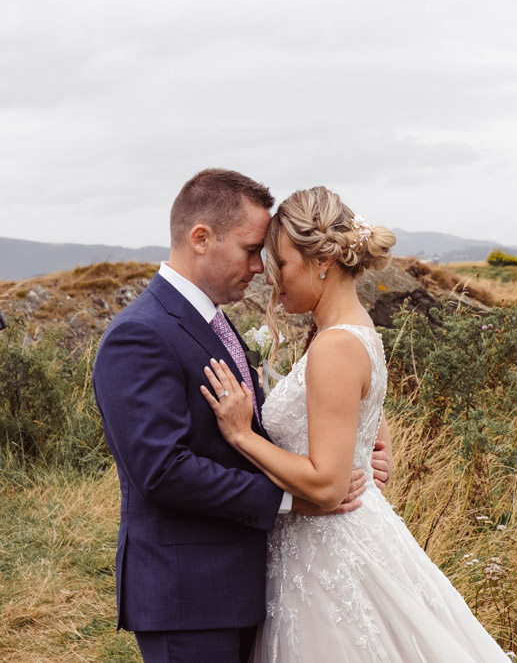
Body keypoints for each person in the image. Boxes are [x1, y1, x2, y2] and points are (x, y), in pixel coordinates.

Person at [92, 169, 390, 663]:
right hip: (189, 597)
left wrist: (362, 450)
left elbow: (269, 420)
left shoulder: (210, 318)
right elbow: (163, 471)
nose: (260, 268)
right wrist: (295, 501)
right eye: (252, 250)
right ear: (202, 238)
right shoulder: (139, 335)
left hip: (248, 585)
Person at [201, 186, 510, 661]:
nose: (272, 280)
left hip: (329, 551)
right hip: (332, 542)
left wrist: (241, 434)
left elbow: (326, 486)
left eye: (281, 264)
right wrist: (368, 454)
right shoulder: (355, 331)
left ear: (322, 259)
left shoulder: (335, 346)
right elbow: (370, 432)